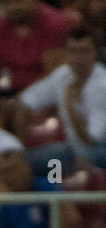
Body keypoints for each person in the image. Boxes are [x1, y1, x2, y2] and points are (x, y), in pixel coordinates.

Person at [17, 27, 106, 173]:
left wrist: (70, 104)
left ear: (95, 54)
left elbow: (89, 140)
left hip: (99, 151)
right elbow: (24, 102)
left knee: (81, 156)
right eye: (73, 51)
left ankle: (80, 191)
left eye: (84, 51)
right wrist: (20, 145)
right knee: (20, 161)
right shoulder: (63, 75)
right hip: (71, 150)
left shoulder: (103, 84)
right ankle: (52, 190)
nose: (78, 57)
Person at [0, 0, 72, 94]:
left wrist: (22, 100)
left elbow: (51, 75)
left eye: (19, 1)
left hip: (42, 96)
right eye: (7, 3)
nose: (14, 7)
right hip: (4, 92)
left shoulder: (54, 24)